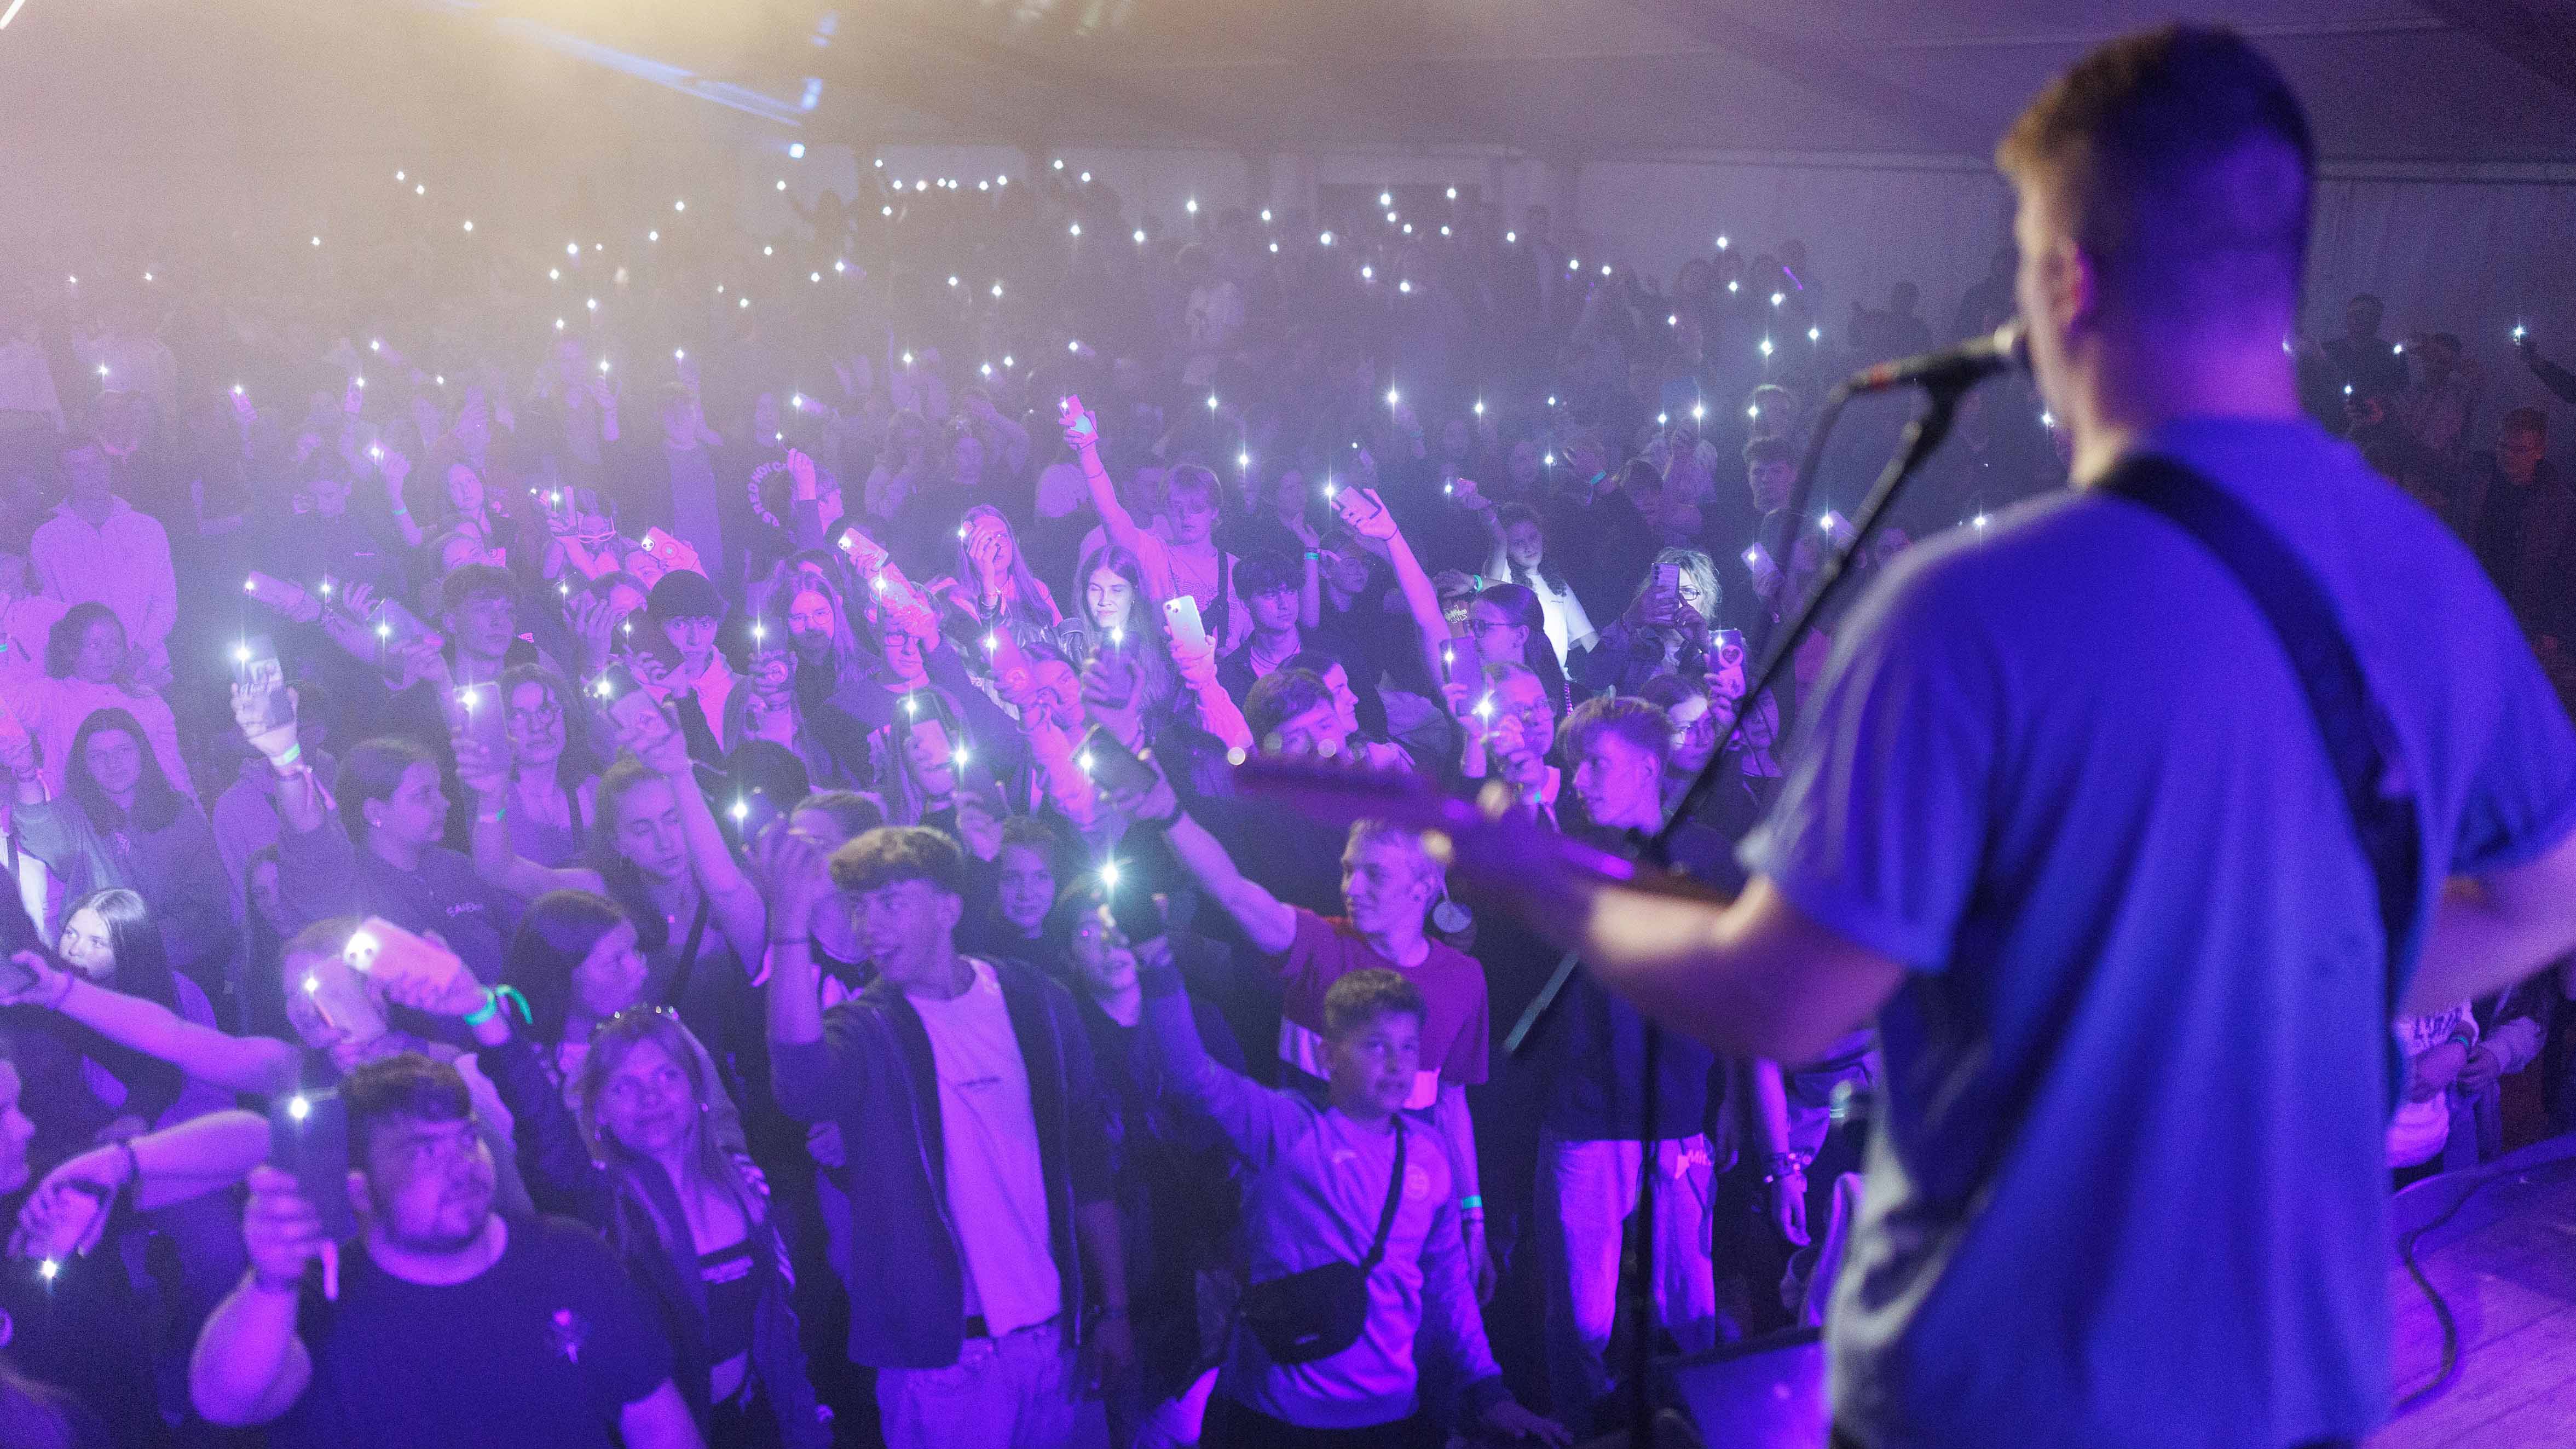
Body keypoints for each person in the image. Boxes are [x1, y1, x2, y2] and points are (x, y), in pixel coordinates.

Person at [1442, 27, 2576, 1449]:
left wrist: (1537, 870)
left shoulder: (1965, 610)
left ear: (2067, 285)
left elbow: (1789, 1001)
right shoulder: (2418, 572)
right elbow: (2543, 889)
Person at [756, 823, 1131, 1449]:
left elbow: (1088, 1162)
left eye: (890, 902)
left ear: (949, 907)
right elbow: (800, 1087)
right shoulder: (868, 1029)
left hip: (1052, 1339)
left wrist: (1115, 1307)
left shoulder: (1034, 1001)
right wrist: (788, 924)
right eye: (858, 906)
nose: (867, 925)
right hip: (941, 1360)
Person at [1139, 960, 1567, 1447]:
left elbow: (1448, 1284)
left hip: (1389, 1417)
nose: (1397, 1064)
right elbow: (1192, 1077)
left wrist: (1490, 1389)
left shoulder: (1430, 1155)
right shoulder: (1286, 1127)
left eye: (1409, 1046)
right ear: (1328, 1056)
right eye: (1376, 1045)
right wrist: (1157, 967)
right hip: (1273, 1415)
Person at [186, 1052, 703, 1446]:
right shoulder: (323, 1296)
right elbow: (226, 1402)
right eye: (425, 1149)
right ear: (360, 1188)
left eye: (466, 1137)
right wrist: (272, 1279)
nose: (463, 1164)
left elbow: (657, 1422)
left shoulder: (568, 1255)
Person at [1132, 761, 1497, 1298]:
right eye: (1348, 869)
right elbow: (1231, 891)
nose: (1351, 887)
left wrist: (1472, 1218)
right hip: (1300, 1206)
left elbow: (1449, 1104)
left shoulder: (1461, 980)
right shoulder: (1318, 943)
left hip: (1401, 1215)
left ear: (1423, 887)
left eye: (1374, 874)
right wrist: (1168, 814)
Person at [31, 434, 176, 682]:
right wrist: (91, 663)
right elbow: (53, 613)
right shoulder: (48, 538)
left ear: (108, 465)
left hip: (148, 672)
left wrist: (136, 656)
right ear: (63, 476)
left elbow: (165, 603)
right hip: (84, 681)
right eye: (79, 467)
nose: (92, 474)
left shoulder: (147, 528)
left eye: (97, 463)